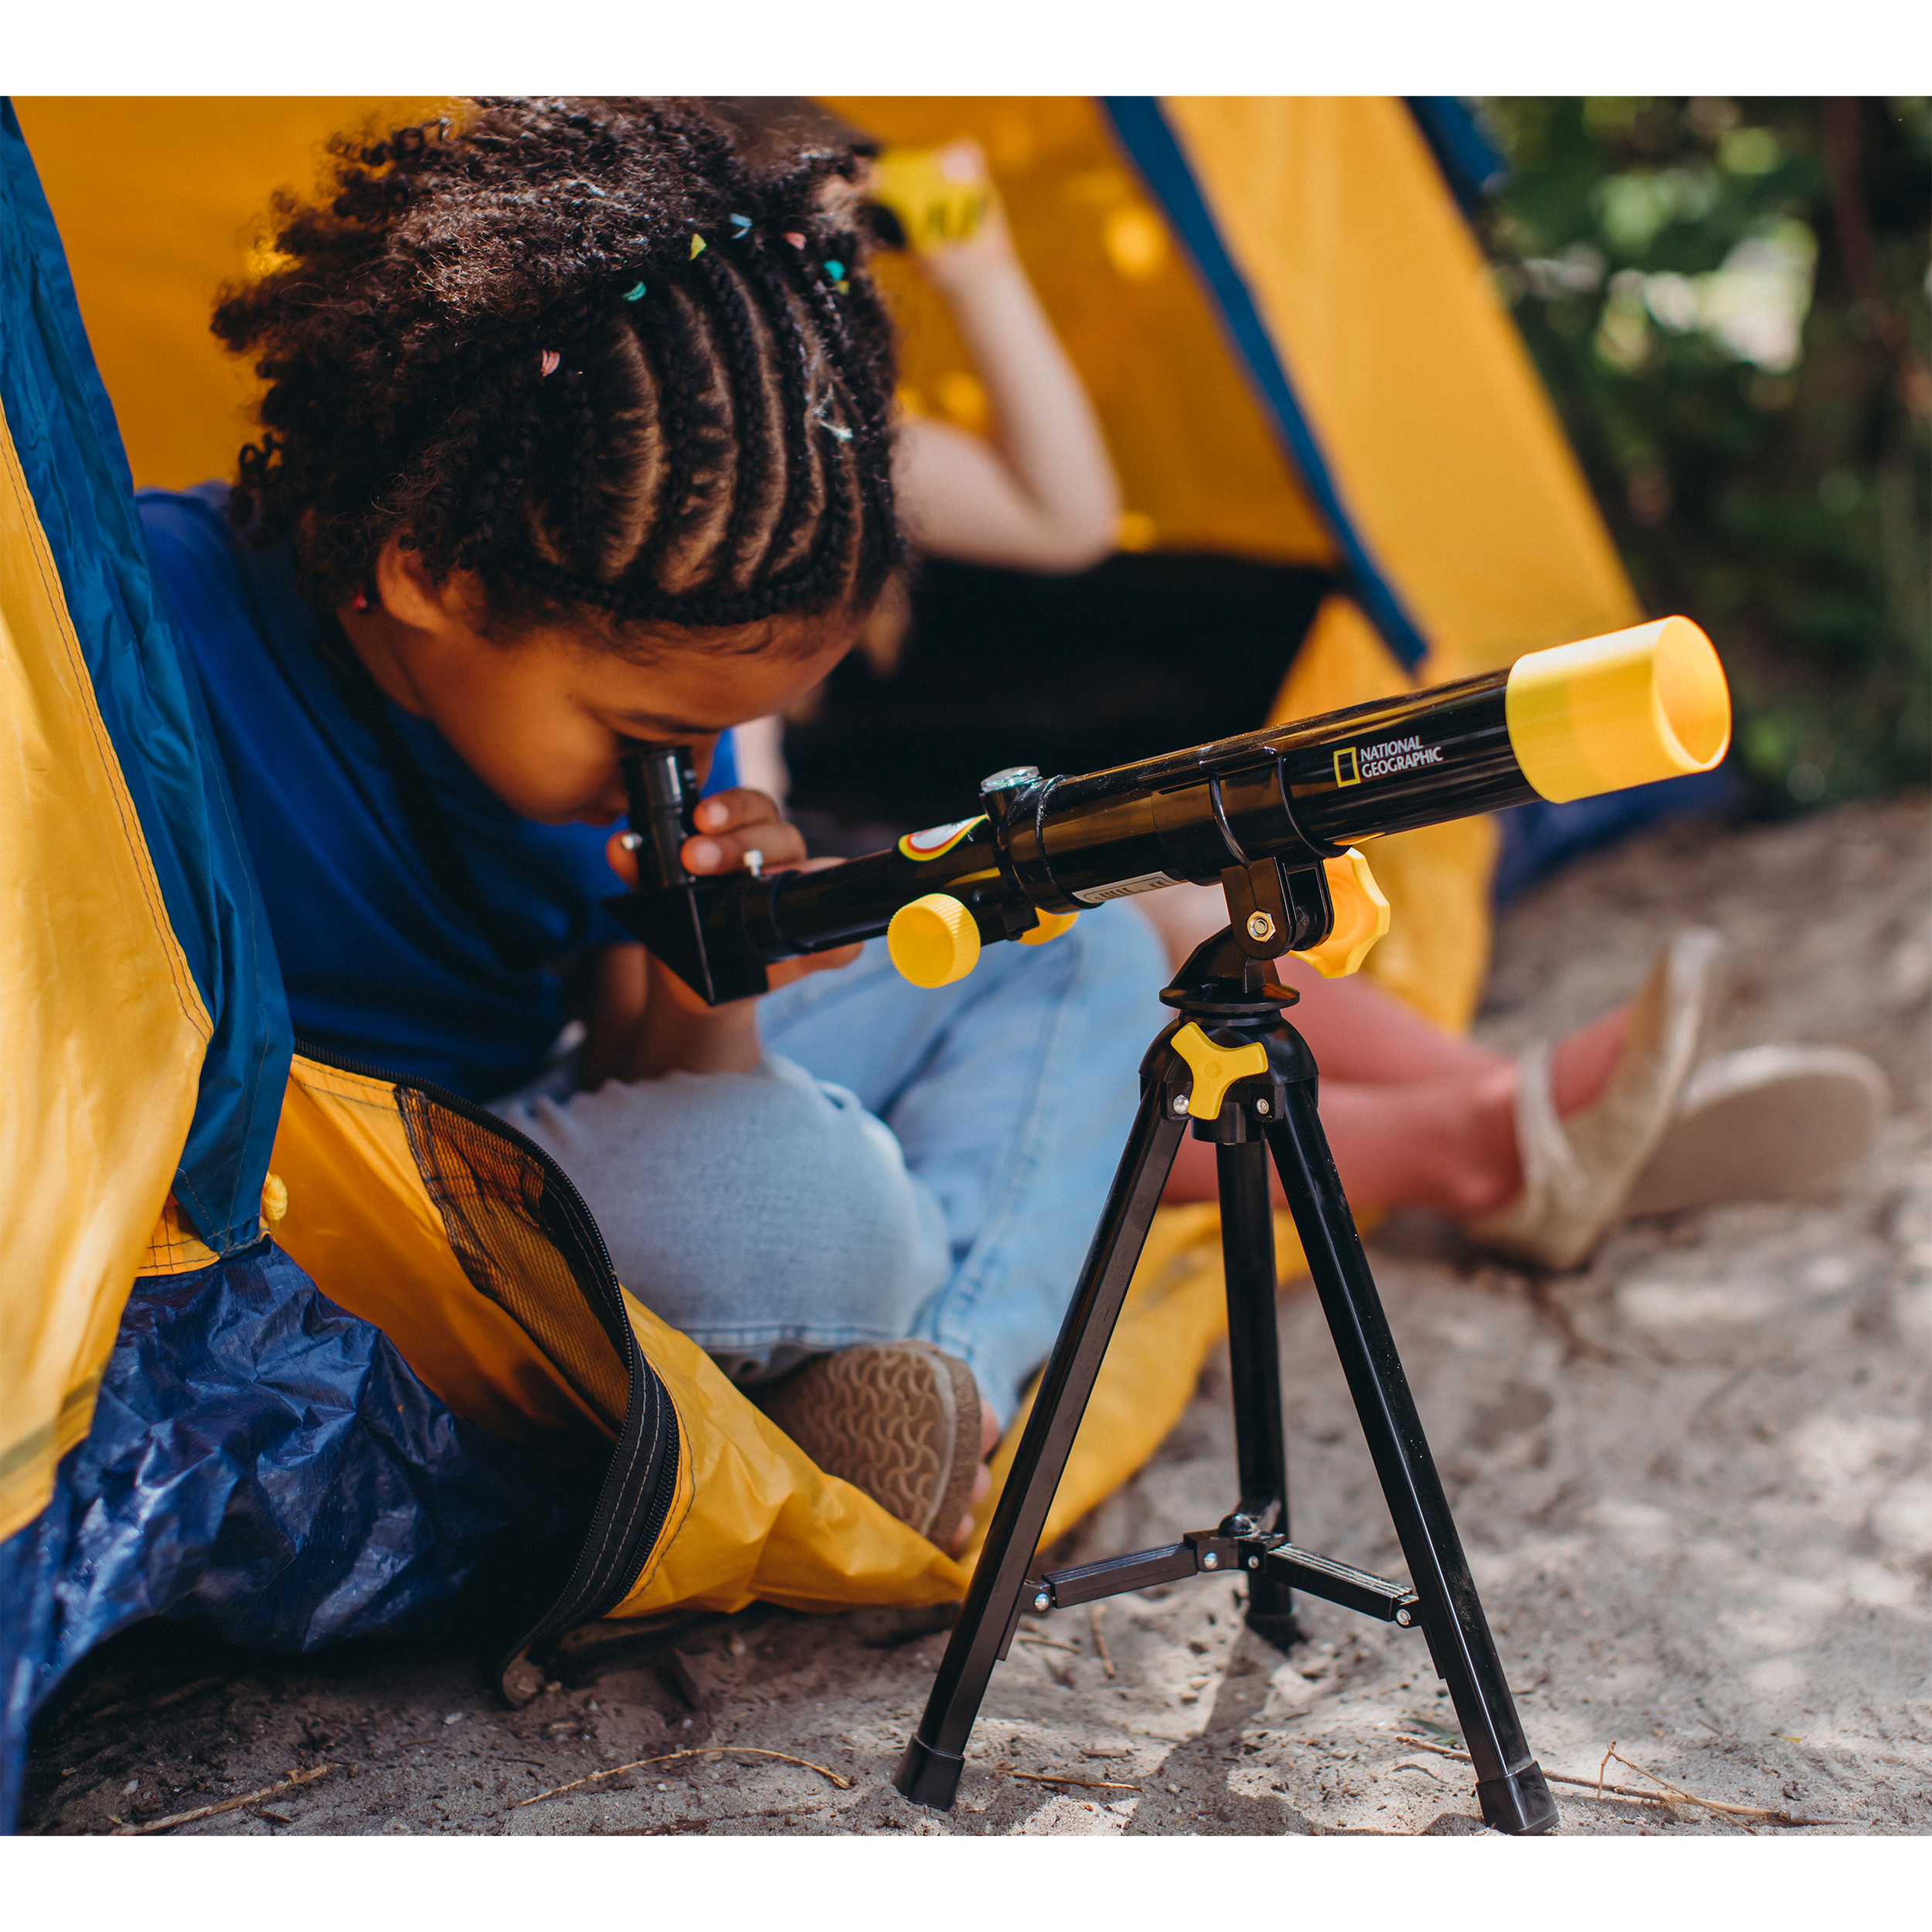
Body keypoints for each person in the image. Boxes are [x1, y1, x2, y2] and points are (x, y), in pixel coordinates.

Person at [138, 98, 1168, 1555]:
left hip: (566, 1127)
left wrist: (714, 986)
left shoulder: (635, 679)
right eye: (645, 737)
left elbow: (647, 1072)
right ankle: (854, 1330)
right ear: (432, 577)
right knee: (800, 1207)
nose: (677, 774)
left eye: (715, 733)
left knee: (1081, 951)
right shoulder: (149, 635)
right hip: (380, 1207)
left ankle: (935, 1382)